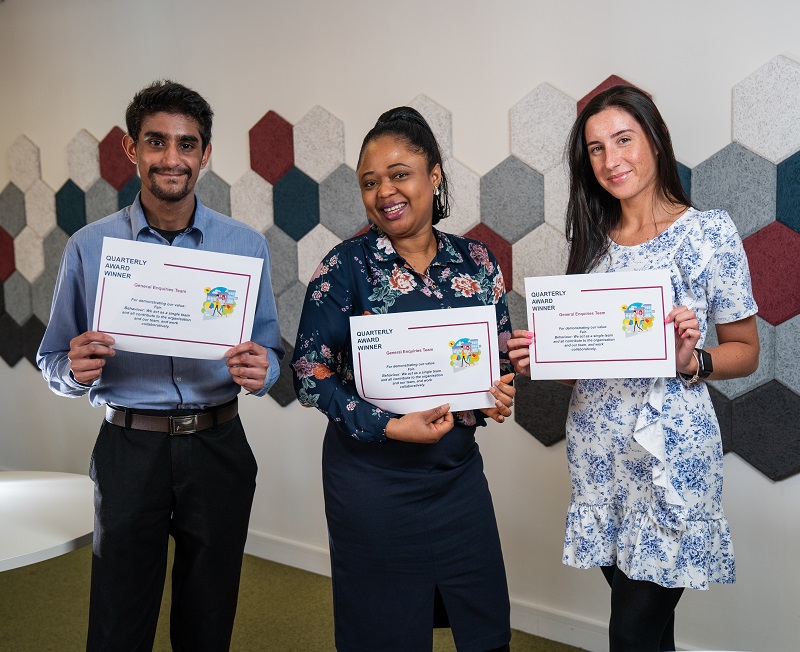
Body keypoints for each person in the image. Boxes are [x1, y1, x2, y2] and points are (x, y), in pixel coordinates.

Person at [508, 85, 759, 651]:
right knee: (649, 637)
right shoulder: (593, 243)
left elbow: (746, 349)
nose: (611, 160)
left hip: (671, 463)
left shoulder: (709, 232)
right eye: (595, 149)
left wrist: (693, 362)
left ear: (655, 140)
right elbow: (584, 366)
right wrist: (542, 357)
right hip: (599, 463)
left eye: (623, 140)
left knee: (632, 636)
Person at [37, 80, 284, 651]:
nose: (172, 158)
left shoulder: (244, 246)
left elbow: (270, 351)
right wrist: (74, 370)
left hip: (219, 446)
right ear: (132, 150)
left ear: (205, 154)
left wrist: (263, 369)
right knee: (119, 620)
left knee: (209, 617)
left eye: (187, 144)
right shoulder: (89, 247)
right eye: (157, 142)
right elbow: (53, 359)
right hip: (130, 449)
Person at [292, 107, 515, 652]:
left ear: (433, 176)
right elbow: (308, 373)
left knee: (484, 629)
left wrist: (498, 392)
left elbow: (499, 358)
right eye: (370, 182)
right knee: (385, 635)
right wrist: (390, 426)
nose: (384, 191)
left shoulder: (478, 261)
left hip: (457, 479)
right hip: (371, 484)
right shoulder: (343, 267)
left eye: (399, 174)